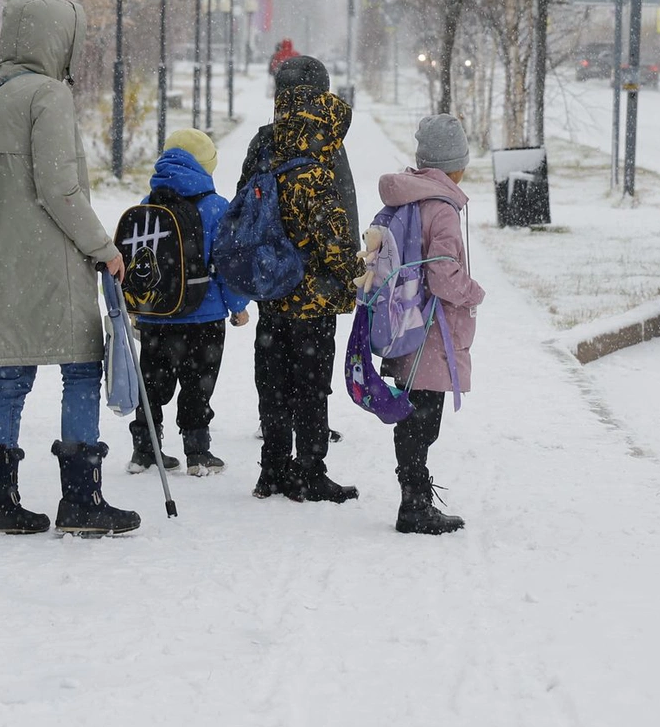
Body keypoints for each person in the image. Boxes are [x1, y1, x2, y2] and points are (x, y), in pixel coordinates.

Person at [0, 0, 137, 537]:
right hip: (52, 265)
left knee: (10, 377)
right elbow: (60, 189)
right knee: (82, 371)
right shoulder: (48, 95)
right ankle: (82, 500)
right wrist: (104, 248)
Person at [244, 59, 365, 503]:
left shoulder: (264, 141)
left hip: (272, 285)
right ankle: (310, 471)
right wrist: (350, 271)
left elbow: (245, 204)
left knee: (272, 380)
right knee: (311, 383)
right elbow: (340, 217)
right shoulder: (325, 147)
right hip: (314, 293)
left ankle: (272, 469)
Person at [368, 114, 484, 535]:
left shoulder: (405, 198)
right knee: (422, 422)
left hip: (403, 323)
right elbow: (444, 277)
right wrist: (474, 293)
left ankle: (412, 499)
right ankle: (414, 507)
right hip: (433, 332)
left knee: (412, 416)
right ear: (457, 165)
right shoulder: (443, 210)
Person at [125, 127, 248, 478]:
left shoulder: (148, 205)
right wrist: (237, 305)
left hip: (156, 314)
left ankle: (145, 450)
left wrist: (137, 308)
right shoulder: (217, 207)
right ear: (206, 165)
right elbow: (227, 264)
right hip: (203, 316)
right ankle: (198, 453)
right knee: (198, 384)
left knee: (152, 384)